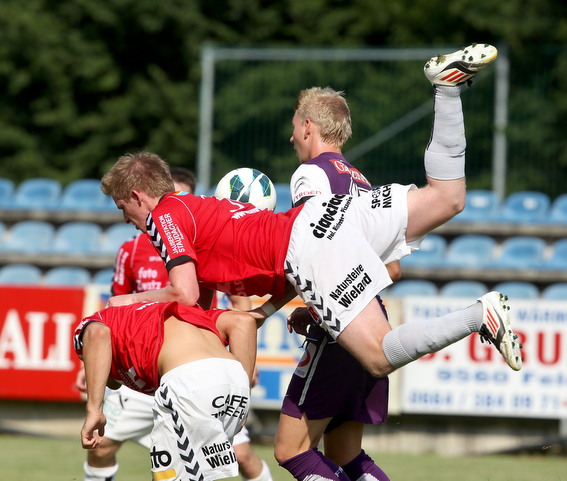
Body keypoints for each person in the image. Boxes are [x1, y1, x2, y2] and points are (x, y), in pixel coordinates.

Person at [100, 44, 521, 465]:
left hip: (310, 238)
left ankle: (477, 315)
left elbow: (185, 292)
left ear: (137, 195)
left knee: (368, 365)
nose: (126, 219)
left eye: (124, 208)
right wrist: (268, 313)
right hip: (340, 220)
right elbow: (205, 303)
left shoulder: (169, 212)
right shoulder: (338, 178)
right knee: (447, 197)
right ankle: (447, 92)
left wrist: (125, 302)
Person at [79, 166, 272, 481]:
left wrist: (244, 364)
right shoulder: (131, 250)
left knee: (238, 456)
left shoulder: (197, 234)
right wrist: (90, 367)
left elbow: (237, 306)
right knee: (101, 446)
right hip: (144, 367)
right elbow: (113, 317)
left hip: (192, 367)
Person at [274, 86, 394, 481]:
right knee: (345, 452)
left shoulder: (311, 174)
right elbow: (392, 269)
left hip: (340, 331)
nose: (291, 136)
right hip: (374, 325)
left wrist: (271, 310)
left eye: (294, 126)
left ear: (308, 127)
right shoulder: (364, 184)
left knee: (291, 450)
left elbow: (313, 252)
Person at [74, 301, 257, 481]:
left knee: (169, 477)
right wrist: (243, 394)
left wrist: (94, 411)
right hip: (235, 378)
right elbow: (243, 321)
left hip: (189, 379)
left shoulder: (100, 321)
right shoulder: (181, 313)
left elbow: (96, 333)